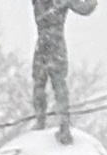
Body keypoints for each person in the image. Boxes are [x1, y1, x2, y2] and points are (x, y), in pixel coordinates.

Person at [35, 0, 97, 135]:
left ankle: (44, 122)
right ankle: (60, 124)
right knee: (54, 83)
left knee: (43, 84)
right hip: (54, 43)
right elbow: (86, 8)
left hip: (44, 43)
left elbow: (85, 8)